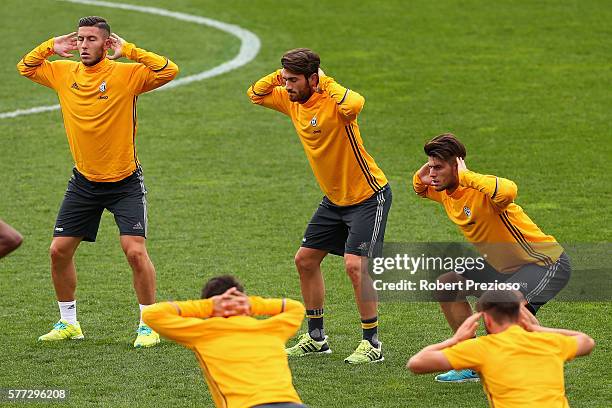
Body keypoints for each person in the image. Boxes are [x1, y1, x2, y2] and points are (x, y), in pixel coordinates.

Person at [17, 16, 179, 347]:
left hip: (125, 182)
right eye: (79, 39)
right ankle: (69, 322)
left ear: (106, 44)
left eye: (91, 39)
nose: (83, 46)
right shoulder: (63, 73)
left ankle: (148, 324)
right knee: (58, 251)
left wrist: (130, 50)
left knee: (134, 251)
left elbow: (168, 70)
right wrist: (51, 45)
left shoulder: (127, 75)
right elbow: (26, 67)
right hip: (84, 181)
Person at [247, 48, 392, 364]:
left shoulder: (336, 105)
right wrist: (281, 74)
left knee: (355, 266)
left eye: (294, 80)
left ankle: (372, 344)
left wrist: (325, 82)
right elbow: (255, 95)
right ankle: (316, 338)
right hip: (335, 200)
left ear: (313, 79)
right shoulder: (291, 100)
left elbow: (355, 103)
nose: (287, 87)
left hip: (368, 197)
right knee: (305, 260)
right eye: (285, 80)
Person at [412, 133, 571, 381]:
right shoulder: (445, 192)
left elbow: (509, 190)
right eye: (430, 166)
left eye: (439, 167)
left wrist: (465, 175)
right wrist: (433, 167)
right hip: (505, 267)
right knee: (447, 284)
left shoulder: (482, 192)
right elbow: (419, 186)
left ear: (457, 166)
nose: (432, 173)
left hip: (544, 262)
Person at [407, 290, 595, 408]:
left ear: (487, 320)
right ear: (520, 315)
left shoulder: (481, 348)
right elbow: (586, 342)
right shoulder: (549, 342)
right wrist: (538, 329)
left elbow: (416, 363)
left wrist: (455, 339)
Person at [143, 275, 307, 408]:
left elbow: (152, 314)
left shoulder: (204, 332)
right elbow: (296, 308)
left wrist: (208, 306)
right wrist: (252, 304)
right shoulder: (270, 329)